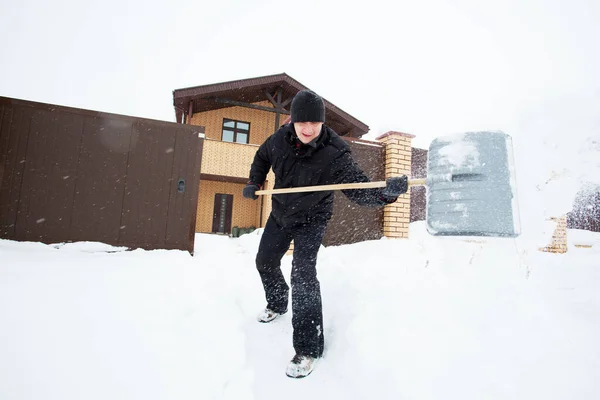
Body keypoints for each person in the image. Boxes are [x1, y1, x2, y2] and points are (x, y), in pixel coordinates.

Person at [243, 89, 408, 378]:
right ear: (293, 121)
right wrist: (254, 181)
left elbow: (359, 190)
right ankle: (278, 301)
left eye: (314, 124)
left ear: (322, 123)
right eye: (301, 123)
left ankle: (308, 348)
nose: (308, 129)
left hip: (313, 218)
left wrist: (385, 195)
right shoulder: (278, 140)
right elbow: (261, 158)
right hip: (281, 212)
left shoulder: (335, 152)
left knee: (303, 275)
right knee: (264, 261)